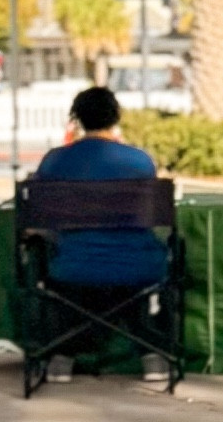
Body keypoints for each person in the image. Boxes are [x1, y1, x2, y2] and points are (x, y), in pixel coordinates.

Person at [31, 87, 169, 381]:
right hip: (137, 265)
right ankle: (151, 355)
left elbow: (38, 222)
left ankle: (62, 355)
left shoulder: (55, 161)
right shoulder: (139, 161)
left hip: (73, 265)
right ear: (115, 117)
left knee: (75, 284)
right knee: (127, 280)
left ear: (77, 118)